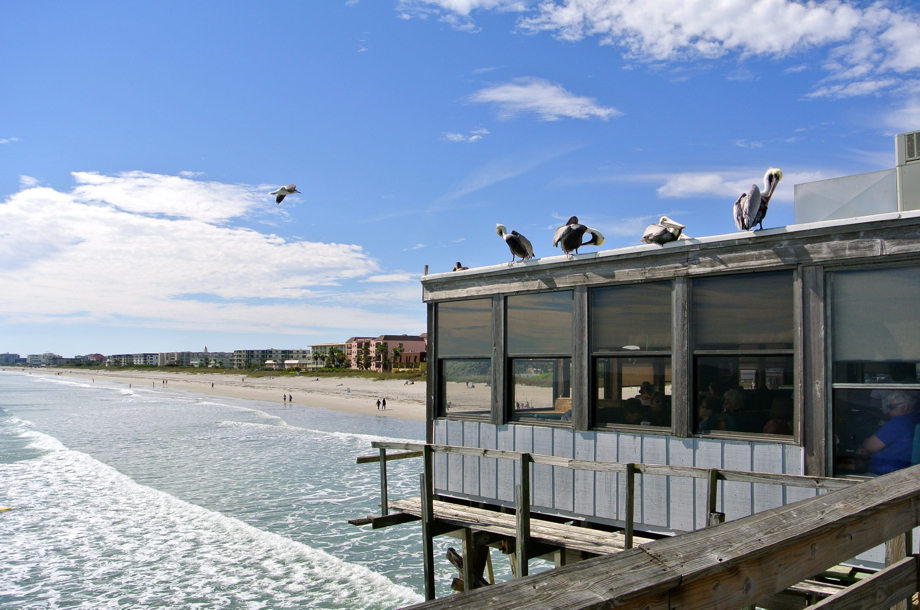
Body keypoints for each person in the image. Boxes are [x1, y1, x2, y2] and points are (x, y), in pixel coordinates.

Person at [860, 390, 920, 474]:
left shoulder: (899, 422)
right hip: (909, 471)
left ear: (905, 406)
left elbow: (870, 446)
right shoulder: (916, 418)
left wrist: (862, 442)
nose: (888, 410)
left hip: (889, 475)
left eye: (891, 407)